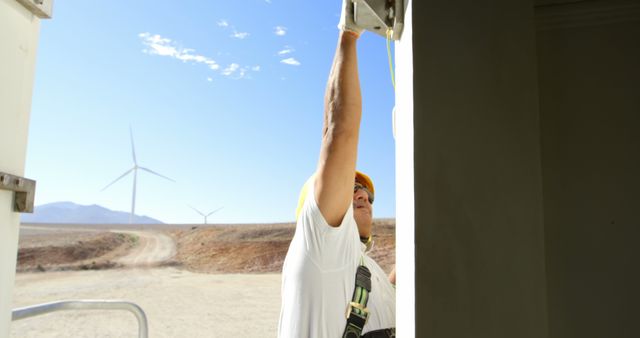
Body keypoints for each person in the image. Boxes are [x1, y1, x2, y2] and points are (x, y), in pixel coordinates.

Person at [277, 1, 396, 337]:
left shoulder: (359, 267)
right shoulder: (321, 247)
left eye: (368, 194)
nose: (361, 194)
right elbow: (337, 131)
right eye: (351, 188)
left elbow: (380, 296)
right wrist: (350, 34)